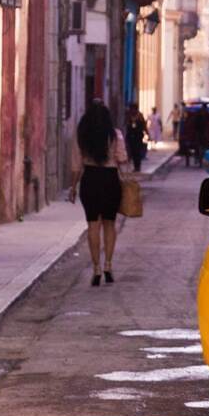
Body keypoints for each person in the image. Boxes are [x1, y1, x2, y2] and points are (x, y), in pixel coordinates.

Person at [69, 99, 128, 286]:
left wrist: (73, 187)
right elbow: (122, 159)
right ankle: (108, 265)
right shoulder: (115, 135)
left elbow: (76, 166)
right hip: (110, 180)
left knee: (93, 225)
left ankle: (95, 268)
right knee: (110, 224)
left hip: (90, 180)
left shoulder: (82, 136)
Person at [125, 107, 148, 172]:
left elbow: (144, 125)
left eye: (134, 109)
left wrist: (146, 133)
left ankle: (137, 167)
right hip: (131, 137)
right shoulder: (129, 116)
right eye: (131, 109)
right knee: (132, 152)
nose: (132, 111)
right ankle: (135, 166)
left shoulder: (140, 116)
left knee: (137, 152)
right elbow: (127, 125)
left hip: (138, 137)